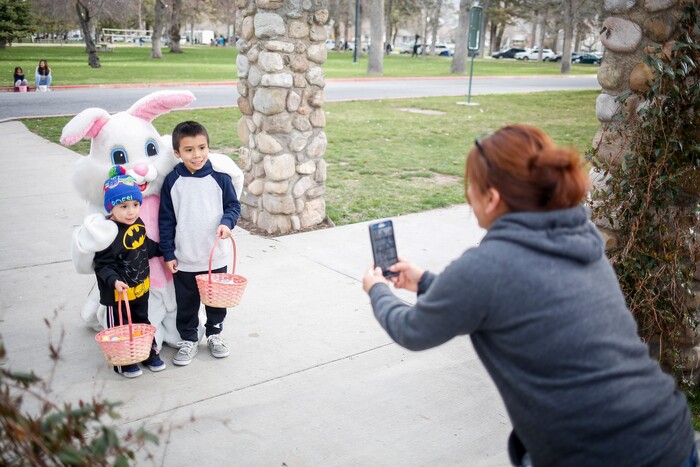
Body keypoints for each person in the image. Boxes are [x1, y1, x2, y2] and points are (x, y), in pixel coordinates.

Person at [362, 124, 696, 467]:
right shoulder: (578, 239)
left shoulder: (487, 266)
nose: (467, 198)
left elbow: (412, 330)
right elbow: (504, 296)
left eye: (470, 188)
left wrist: (377, 290)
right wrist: (424, 282)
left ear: (491, 198)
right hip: (670, 435)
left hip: (597, 454)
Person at [159, 121, 241, 366]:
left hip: (214, 256)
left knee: (216, 301)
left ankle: (215, 334)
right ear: (177, 153)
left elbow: (233, 206)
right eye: (189, 150)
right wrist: (168, 253)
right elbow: (165, 219)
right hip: (185, 257)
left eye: (202, 147)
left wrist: (227, 222)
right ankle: (189, 339)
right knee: (186, 303)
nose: (197, 155)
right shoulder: (172, 182)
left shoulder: (220, 178)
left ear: (208, 147)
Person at [94, 166, 165, 378]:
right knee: (122, 328)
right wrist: (114, 281)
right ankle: (123, 361)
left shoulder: (137, 223)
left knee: (142, 321)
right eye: (124, 206)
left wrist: (165, 251)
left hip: (140, 288)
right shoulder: (107, 233)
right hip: (118, 294)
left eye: (135, 205)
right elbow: (102, 265)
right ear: (111, 208)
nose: (131, 211)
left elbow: (144, 246)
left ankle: (147, 352)